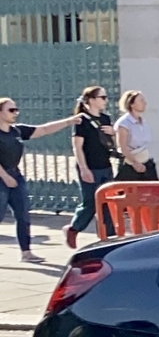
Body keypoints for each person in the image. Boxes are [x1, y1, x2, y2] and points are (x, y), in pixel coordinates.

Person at [0, 96, 81, 264]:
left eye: (16, 109)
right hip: (2, 178)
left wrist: (68, 121)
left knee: (23, 214)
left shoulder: (17, 131)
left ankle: (26, 252)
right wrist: (5, 177)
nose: (16, 113)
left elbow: (43, 129)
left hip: (15, 176)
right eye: (11, 110)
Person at [65, 85, 117, 250]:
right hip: (90, 166)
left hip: (105, 165)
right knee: (90, 202)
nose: (105, 100)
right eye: (102, 97)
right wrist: (84, 169)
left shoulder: (106, 118)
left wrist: (113, 132)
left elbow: (110, 145)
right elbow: (77, 147)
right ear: (92, 100)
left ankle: (109, 237)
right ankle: (74, 228)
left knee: (107, 202)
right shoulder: (81, 120)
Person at [112, 91, 157, 181]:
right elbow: (122, 147)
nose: (145, 103)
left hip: (146, 162)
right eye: (141, 101)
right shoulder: (124, 123)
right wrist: (135, 163)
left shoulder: (143, 122)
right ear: (131, 104)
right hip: (130, 165)